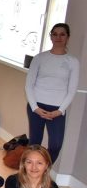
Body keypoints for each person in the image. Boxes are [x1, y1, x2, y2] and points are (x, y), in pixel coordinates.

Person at [25, 23, 80, 163]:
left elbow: (72, 90)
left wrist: (60, 111)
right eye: (55, 34)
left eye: (62, 34)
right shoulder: (40, 58)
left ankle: (43, 171)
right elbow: (29, 85)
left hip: (57, 110)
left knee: (56, 144)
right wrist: (35, 108)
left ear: (68, 37)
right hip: (36, 106)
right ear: (50, 36)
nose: (58, 37)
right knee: (34, 144)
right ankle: (29, 174)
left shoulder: (73, 61)